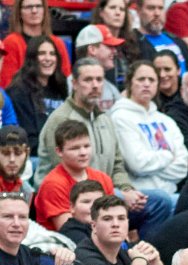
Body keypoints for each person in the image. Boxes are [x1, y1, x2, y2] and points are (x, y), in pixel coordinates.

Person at [36, 58, 174, 237]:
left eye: (99, 80)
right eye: (88, 80)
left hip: (106, 190)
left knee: (161, 202)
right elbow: (68, 171)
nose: (95, 85)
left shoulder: (105, 119)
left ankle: (144, 251)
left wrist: (127, 189)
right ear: (75, 83)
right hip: (72, 197)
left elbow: (117, 163)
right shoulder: (61, 119)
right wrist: (117, 197)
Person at [110, 61, 188, 199]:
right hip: (141, 197)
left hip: (171, 193)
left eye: (152, 80)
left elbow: (182, 168)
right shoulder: (120, 117)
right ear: (130, 83)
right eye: (141, 79)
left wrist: (154, 168)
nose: (146, 84)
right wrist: (168, 155)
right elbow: (138, 165)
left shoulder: (166, 120)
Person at [73, 194, 168, 265]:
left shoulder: (127, 252)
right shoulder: (85, 256)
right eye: (107, 219)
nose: (115, 224)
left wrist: (156, 264)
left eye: (121, 218)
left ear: (128, 223)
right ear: (94, 226)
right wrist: (140, 260)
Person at [35, 120, 115, 231]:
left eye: (87, 146)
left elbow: (114, 218)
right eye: (75, 148)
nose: (83, 152)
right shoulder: (53, 184)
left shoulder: (103, 179)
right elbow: (68, 230)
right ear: (59, 151)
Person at [5, 35, 68, 157]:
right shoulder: (18, 92)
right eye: (42, 53)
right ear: (32, 58)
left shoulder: (61, 88)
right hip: (35, 157)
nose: (48, 58)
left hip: (62, 153)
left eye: (52, 54)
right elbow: (28, 138)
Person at [0, 0, 71, 89]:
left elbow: (66, 80)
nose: (34, 11)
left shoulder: (57, 43)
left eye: (38, 6)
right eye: (28, 7)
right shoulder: (11, 42)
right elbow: (7, 84)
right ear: (19, 12)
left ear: (44, 10)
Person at [90, 0, 141, 91]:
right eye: (112, 8)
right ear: (101, 12)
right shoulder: (92, 42)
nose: (118, 13)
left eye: (122, 9)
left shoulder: (132, 42)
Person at [73, 24, 125, 112]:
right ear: (92, 49)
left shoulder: (111, 88)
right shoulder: (70, 84)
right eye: (109, 46)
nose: (115, 51)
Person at [133, 0, 188, 74]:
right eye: (151, 8)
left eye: (160, 8)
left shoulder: (177, 40)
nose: (157, 13)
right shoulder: (132, 43)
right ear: (138, 11)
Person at [59, 179, 106, 246]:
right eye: (86, 202)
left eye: (98, 201)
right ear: (72, 207)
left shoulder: (108, 227)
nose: (93, 206)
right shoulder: (72, 232)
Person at [0, 126, 33, 202]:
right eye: (6, 153)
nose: (12, 159)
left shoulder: (26, 190)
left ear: (27, 153)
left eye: (18, 153)